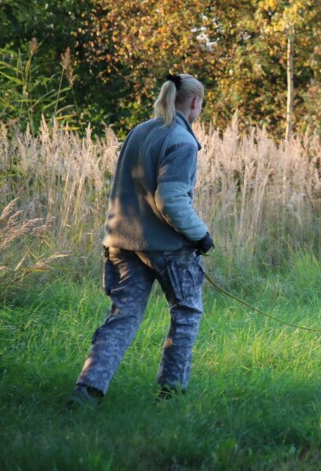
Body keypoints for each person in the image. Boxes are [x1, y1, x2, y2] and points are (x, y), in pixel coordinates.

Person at [68, 73, 214, 407]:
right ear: (194, 102)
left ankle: (87, 391)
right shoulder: (182, 140)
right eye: (201, 103)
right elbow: (171, 200)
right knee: (187, 311)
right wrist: (200, 235)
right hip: (166, 248)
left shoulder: (139, 131)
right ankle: (171, 393)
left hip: (121, 240)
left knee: (123, 315)